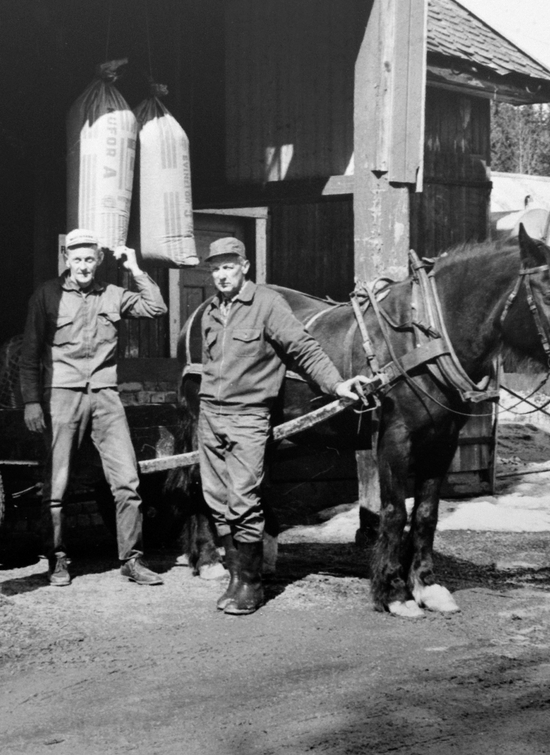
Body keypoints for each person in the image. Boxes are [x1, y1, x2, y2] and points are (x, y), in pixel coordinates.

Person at [197, 237, 366, 615]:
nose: (221, 275)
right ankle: (235, 579)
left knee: (243, 499)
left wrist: (336, 385)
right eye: (215, 268)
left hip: (248, 416)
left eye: (228, 266)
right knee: (217, 498)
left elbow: (302, 348)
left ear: (245, 267)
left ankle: (252, 585)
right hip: (211, 415)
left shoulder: (267, 304)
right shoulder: (211, 310)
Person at [19, 228, 168, 588]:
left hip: (105, 395)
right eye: (77, 259)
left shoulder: (113, 294)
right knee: (57, 486)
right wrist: (31, 402)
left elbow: (157, 307)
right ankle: (56, 560)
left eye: (89, 259)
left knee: (127, 482)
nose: (83, 266)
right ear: (66, 260)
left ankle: (132, 560)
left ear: (99, 261)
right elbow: (29, 354)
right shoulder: (47, 296)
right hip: (62, 396)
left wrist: (134, 268)